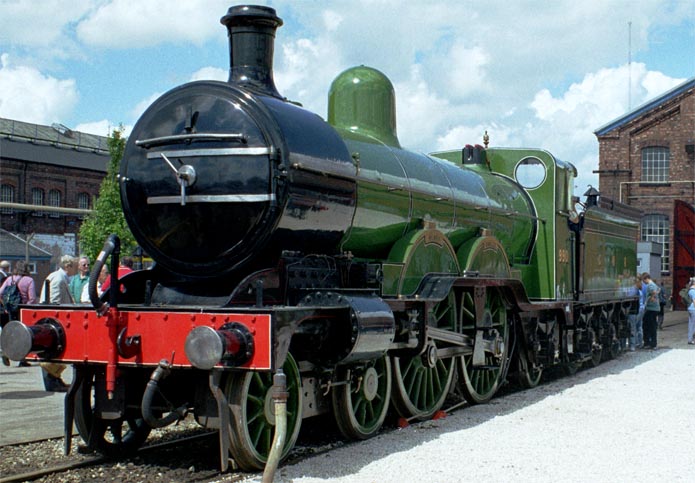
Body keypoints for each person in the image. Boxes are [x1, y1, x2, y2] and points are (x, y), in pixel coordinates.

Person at [39, 255, 76, 391]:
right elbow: (54, 301)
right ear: (68, 266)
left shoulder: (60, 277)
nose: (76, 269)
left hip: (59, 320)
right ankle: (52, 381)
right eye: (74, 266)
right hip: (56, 321)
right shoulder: (58, 278)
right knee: (53, 352)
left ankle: (55, 378)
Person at [0, 261, 37, 366]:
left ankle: (6, 353)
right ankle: (23, 359)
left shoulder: (9, 279)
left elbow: (0, 293)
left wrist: (6, 306)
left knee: (13, 333)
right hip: (23, 310)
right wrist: (27, 306)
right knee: (24, 335)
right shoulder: (29, 280)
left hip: (11, 310)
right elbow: (32, 298)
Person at [641, 272, 660, 350]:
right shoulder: (654, 284)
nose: (643, 282)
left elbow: (655, 292)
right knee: (651, 325)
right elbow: (659, 289)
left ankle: (650, 343)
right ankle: (651, 343)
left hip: (651, 308)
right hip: (654, 308)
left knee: (648, 326)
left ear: (646, 279)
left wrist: (652, 296)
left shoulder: (650, 285)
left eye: (643, 280)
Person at [626, 276, 643, 351]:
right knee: (636, 327)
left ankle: (633, 345)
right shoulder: (636, 289)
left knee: (633, 327)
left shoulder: (634, 289)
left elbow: (629, 297)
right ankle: (635, 344)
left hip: (633, 311)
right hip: (636, 310)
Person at [687, 278, 695, 346]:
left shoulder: (690, 290)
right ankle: (691, 339)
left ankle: (690, 339)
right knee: (693, 325)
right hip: (693, 309)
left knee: (691, 324)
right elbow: (694, 301)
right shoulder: (693, 291)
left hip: (690, 308)